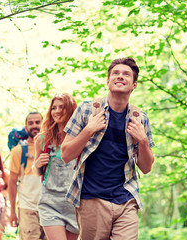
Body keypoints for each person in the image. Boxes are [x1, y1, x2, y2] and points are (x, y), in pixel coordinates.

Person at [61, 57, 155, 240]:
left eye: (126, 74)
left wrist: (143, 140)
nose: (120, 77)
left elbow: (147, 167)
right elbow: (65, 154)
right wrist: (89, 129)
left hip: (126, 198)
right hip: (92, 199)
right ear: (108, 81)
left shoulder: (140, 118)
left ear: (134, 84)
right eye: (116, 73)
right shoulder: (87, 110)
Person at [33, 93, 79, 240]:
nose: (57, 111)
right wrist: (38, 164)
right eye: (54, 108)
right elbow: (36, 170)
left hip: (74, 202)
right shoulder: (42, 139)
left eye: (62, 107)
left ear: (71, 110)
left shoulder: (80, 138)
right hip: (50, 201)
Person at [8, 111, 46, 240]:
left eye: (37, 122)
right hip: (27, 208)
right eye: (30, 123)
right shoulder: (18, 151)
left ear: (44, 124)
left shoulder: (51, 147)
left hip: (50, 208)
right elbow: (12, 182)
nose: (34, 125)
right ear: (26, 127)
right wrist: (12, 212)